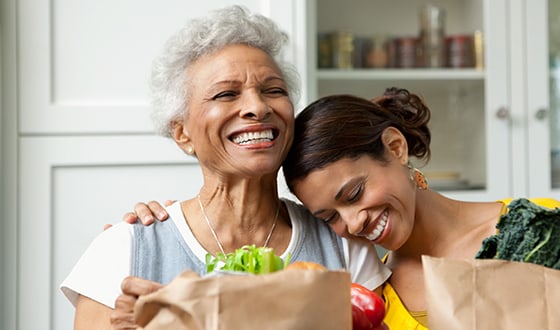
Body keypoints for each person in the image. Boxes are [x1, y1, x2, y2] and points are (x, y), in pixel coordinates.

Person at [127, 87, 560, 329]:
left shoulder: (532, 224)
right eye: (328, 217)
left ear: (395, 147)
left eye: (353, 194)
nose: (353, 224)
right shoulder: (367, 287)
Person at [60, 6, 390, 329]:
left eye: (273, 90)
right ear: (182, 133)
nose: (257, 107)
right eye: (226, 94)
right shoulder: (123, 249)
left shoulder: (344, 244)